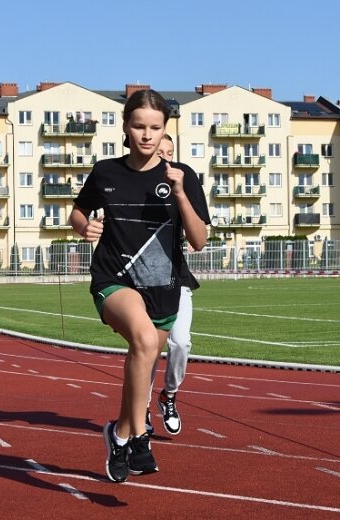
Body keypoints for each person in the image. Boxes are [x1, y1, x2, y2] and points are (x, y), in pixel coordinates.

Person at [70, 89, 209, 483]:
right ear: (126, 127)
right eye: (139, 126)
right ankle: (140, 435)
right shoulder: (106, 172)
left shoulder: (183, 176)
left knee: (142, 359)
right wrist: (85, 226)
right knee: (146, 341)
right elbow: (78, 213)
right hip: (114, 279)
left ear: (165, 129)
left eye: (155, 128)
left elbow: (198, 241)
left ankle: (120, 434)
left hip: (163, 287)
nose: (147, 135)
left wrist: (180, 193)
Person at [145, 134, 208, 437]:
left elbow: (200, 232)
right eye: (161, 153)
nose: (167, 159)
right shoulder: (134, 180)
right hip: (139, 278)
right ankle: (140, 407)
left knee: (181, 341)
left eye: (171, 152)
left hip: (176, 275)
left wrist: (180, 193)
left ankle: (168, 395)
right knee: (145, 348)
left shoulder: (185, 178)